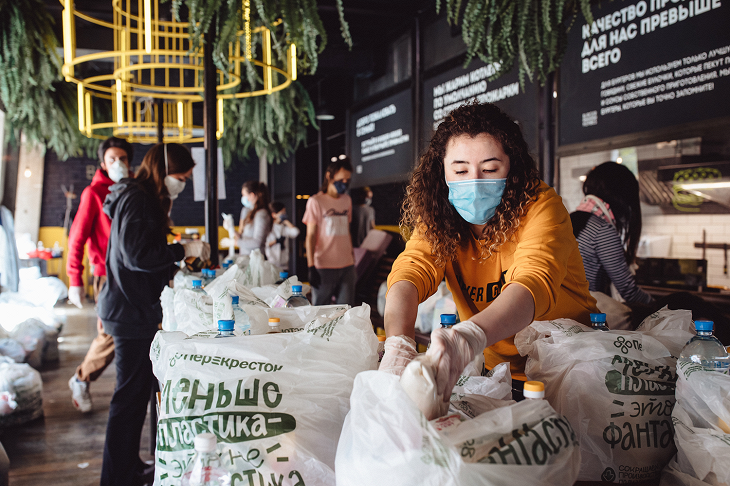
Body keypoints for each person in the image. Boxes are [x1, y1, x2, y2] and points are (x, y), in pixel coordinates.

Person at [381, 102, 598, 402]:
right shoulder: (438, 217)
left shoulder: (542, 207)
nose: (475, 181)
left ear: (512, 167)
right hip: (500, 376)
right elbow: (410, 272)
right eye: (460, 170)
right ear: (440, 172)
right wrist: (398, 343)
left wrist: (466, 338)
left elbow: (532, 284)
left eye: (490, 168)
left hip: (571, 372)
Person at [97, 143, 209, 486]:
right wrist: (180, 250)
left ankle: (130, 466)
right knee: (128, 397)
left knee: (136, 393)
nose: (183, 184)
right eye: (181, 177)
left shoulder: (141, 197)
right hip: (129, 310)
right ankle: (116, 477)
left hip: (132, 306)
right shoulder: (139, 198)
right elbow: (137, 255)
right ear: (164, 171)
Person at [572, 162, 730, 334]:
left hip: (569, 315)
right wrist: (661, 309)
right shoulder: (601, 229)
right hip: (587, 316)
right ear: (622, 195)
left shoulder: (572, 220)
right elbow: (627, 289)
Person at [67, 136, 132, 413]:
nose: (118, 163)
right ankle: (81, 378)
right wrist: (74, 279)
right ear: (103, 163)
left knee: (128, 334)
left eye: (123, 158)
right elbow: (76, 238)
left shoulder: (130, 190)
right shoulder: (93, 193)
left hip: (131, 274)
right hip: (106, 275)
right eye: (112, 159)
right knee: (109, 334)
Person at [303, 157, 356, 306]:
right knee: (321, 312)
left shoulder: (347, 200)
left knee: (345, 311)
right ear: (329, 176)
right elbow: (311, 235)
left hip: (347, 266)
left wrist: (352, 256)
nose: (344, 183)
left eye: (348, 180)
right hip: (323, 266)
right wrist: (311, 266)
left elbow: (347, 231)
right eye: (341, 179)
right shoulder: (316, 201)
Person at [235, 181, 272, 256]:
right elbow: (244, 237)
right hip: (248, 257)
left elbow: (257, 242)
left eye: (244, 195)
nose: (243, 198)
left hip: (255, 260)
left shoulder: (261, 214)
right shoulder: (252, 212)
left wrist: (235, 243)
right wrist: (231, 229)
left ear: (251, 195)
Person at [265, 201, 300, 271]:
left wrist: (286, 221)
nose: (284, 214)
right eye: (282, 213)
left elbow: (296, 232)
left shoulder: (284, 228)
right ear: (274, 214)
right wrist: (276, 241)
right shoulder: (268, 228)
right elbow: (264, 245)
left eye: (284, 212)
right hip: (272, 263)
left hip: (284, 264)